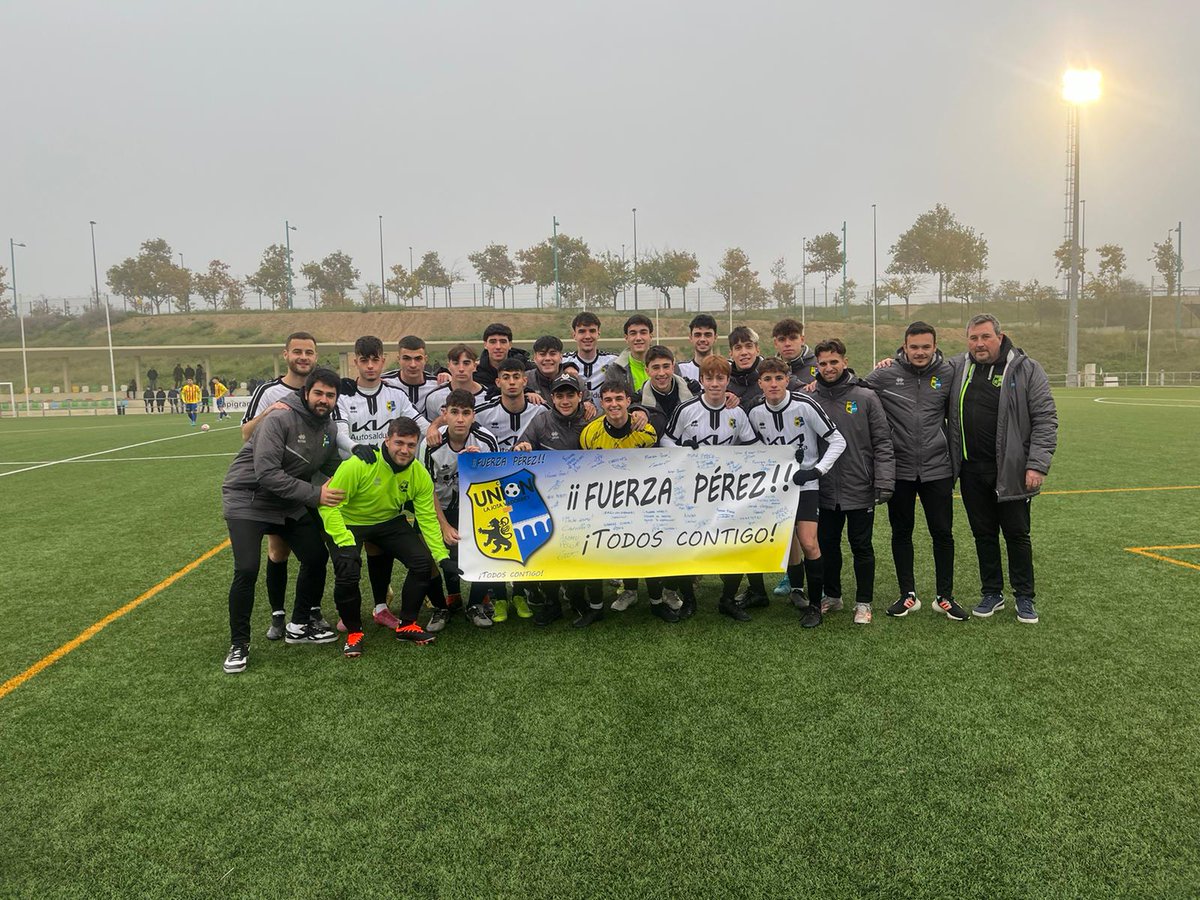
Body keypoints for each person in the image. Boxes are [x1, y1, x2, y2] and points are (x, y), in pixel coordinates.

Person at [219, 368, 343, 674]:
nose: (324, 400)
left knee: (315, 556)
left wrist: (368, 472)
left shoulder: (329, 427)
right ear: (306, 393)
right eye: (318, 393)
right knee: (247, 569)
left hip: (287, 502)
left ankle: (299, 625)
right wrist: (316, 495)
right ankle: (239, 643)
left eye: (330, 395)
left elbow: (333, 469)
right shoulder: (279, 418)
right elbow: (267, 474)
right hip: (248, 498)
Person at [319, 417, 463, 657]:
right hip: (348, 522)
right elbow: (328, 505)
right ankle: (354, 632)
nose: (405, 450)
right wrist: (344, 541)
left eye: (411, 445)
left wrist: (442, 556)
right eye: (399, 443)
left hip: (388, 521)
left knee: (422, 562)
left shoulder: (419, 473)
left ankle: (407, 625)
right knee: (347, 570)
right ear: (387, 440)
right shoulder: (359, 464)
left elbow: (427, 517)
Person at [947, 314, 1057, 624]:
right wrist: (892, 361)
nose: (979, 344)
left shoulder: (1026, 369)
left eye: (985, 337)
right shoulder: (958, 368)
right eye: (973, 338)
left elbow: (1045, 419)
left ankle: (1024, 596)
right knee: (983, 535)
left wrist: (1036, 465)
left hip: (1012, 470)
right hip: (971, 470)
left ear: (1000, 336)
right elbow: (924, 363)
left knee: (1017, 535)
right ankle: (992, 593)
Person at [865, 322, 965, 620]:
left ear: (935, 346)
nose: (920, 352)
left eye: (925, 347)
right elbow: (853, 389)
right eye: (914, 347)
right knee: (901, 531)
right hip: (900, 468)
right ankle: (907, 594)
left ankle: (945, 596)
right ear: (904, 347)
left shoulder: (949, 372)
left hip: (938, 468)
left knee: (942, 533)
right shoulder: (885, 373)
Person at [746, 357, 846, 623]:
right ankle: (797, 590)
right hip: (775, 489)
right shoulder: (755, 412)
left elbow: (838, 440)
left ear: (787, 380)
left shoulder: (805, 405)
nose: (773, 384)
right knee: (788, 542)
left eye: (779, 378)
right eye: (767, 379)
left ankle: (815, 606)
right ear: (760, 383)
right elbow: (752, 449)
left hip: (806, 485)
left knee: (809, 542)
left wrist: (816, 471)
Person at [240, 332, 324, 638]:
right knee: (278, 551)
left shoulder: (321, 389)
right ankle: (278, 615)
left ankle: (312, 610)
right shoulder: (268, 391)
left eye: (309, 352)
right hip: (279, 487)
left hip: (314, 483)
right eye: (297, 351)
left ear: (316, 356)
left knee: (316, 550)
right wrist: (268, 413)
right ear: (285, 354)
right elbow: (246, 434)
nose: (303, 357)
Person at [660, 356, 757, 620]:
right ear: (701, 380)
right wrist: (682, 449)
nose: (715, 383)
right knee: (687, 545)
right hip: (691, 490)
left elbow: (752, 449)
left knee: (733, 544)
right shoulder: (686, 409)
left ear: (728, 381)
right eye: (709, 378)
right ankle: (689, 599)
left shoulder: (737, 413)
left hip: (726, 491)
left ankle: (727, 599)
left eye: (720, 378)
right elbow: (666, 440)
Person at [580, 378, 683, 624]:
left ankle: (656, 603)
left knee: (648, 550)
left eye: (619, 399)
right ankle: (600, 605)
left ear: (628, 401)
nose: (614, 404)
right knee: (600, 550)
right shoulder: (589, 434)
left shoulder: (646, 432)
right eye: (608, 400)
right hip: (605, 502)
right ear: (602, 403)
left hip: (642, 502)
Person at [810, 340, 894, 626]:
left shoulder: (866, 396)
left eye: (834, 362)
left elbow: (882, 441)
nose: (829, 368)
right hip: (824, 488)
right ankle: (833, 596)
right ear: (817, 366)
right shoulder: (810, 399)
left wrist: (884, 479)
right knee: (828, 544)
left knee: (861, 546)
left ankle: (863, 602)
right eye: (823, 363)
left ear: (844, 362)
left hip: (859, 485)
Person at [514, 373, 603, 627]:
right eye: (560, 395)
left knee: (586, 552)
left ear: (580, 396)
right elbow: (520, 449)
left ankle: (581, 601)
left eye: (570, 395)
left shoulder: (593, 420)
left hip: (587, 501)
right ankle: (552, 603)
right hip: (550, 501)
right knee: (548, 552)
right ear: (552, 398)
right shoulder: (541, 421)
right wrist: (522, 448)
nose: (565, 400)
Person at [473, 357, 548, 621]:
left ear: (525, 380)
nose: (512, 382)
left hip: (528, 488)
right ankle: (500, 598)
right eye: (506, 377)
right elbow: (458, 424)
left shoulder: (541, 411)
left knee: (524, 541)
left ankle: (519, 593)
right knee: (498, 541)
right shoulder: (483, 412)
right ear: (498, 382)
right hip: (492, 489)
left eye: (517, 377)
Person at [420, 389, 499, 630]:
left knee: (489, 543)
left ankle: (475, 604)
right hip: (439, 507)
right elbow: (426, 491)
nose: (460, 419)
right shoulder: (430, 444)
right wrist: (443, 525)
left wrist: (478, 466)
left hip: (475, 506)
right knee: (423, 554)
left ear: (474, 415)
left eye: (466, 413)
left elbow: (494, 485)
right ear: (445, 414)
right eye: (454, 412)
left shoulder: (486, 441)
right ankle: (442, 605)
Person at [634, 344, 696, 437]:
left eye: (666, 366)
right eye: (656, 368)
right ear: (647, 371)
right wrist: (639, 411)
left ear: (673, 367)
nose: (661, 373)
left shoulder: (693, 393)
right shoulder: (638, 404)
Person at [423, 344, 491, 421]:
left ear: (475, 366)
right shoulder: (434, 397)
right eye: (456, 363)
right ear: (449, 366)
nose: (461, 369)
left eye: (466, 363)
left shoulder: (488, 397)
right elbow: (433, 426)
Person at [382, 335, 443, 413]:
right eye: (406, 358)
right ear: (399, 359)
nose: (413, 365)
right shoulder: (385, 383)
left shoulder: (437, 385)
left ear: (425, 360)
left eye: (418, 359)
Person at [563, 311, 619, 391]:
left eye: (592, 331)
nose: (587, 336)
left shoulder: (614, 361)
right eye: (582, 331)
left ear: (598, 334)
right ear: (574, 335)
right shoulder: (563, 361)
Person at [474, 323, 534, 390]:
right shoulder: (475, 373)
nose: (498, 347)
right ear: (485, 345)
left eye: (503, 342)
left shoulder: (527, 368)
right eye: (493, 342)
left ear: (510, 344)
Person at [608, 314, 654, 392]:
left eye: (643, 333)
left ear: (651, 336)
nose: (638, 338)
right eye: (633, 333)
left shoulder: (667, 365)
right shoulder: (615, 370)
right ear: (626, 338)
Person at [675, 314, 718, 385]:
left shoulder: (727, 367)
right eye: (697, 335)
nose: (702, 339)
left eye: (707, 335)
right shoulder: (680, 370)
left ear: (715, 338)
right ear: (690, 338)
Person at [772, 318, 818, 384]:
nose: (787, 344)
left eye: (793, 338)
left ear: (802, 340)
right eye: (782, 339)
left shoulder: (821, 364)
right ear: (775, 343)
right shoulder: (768, 369)